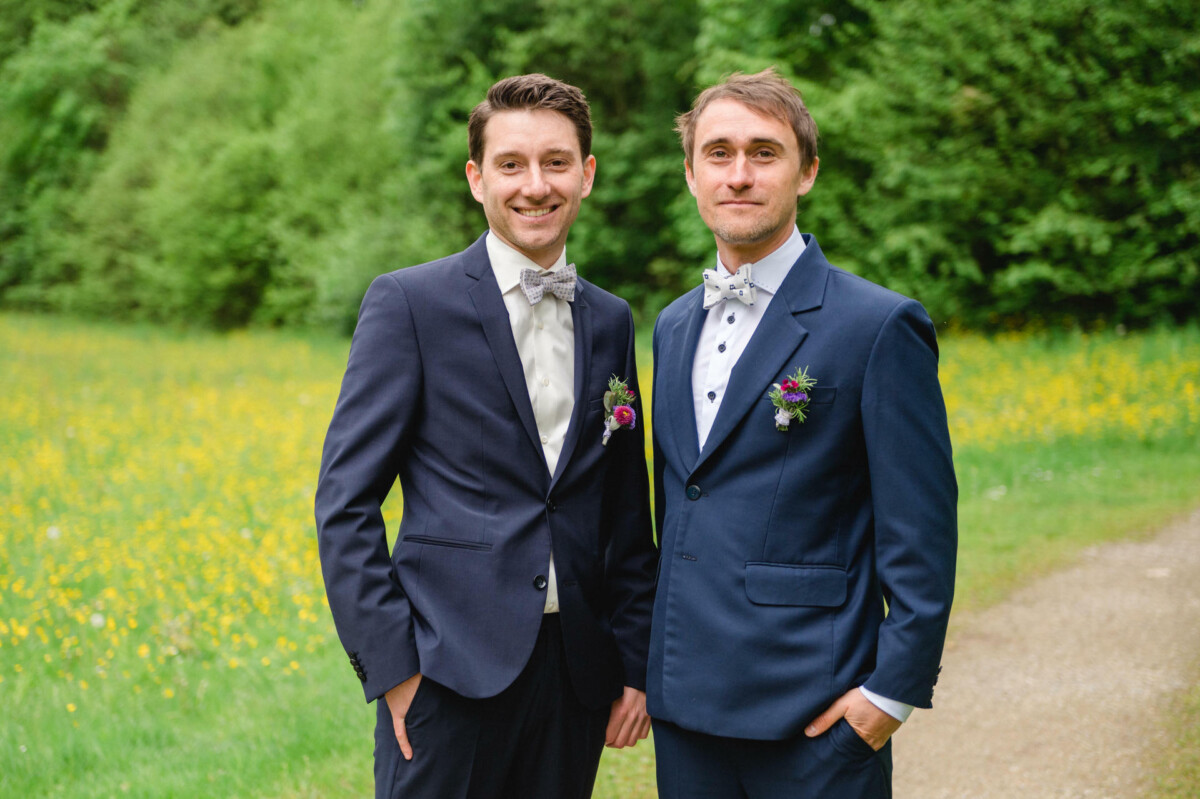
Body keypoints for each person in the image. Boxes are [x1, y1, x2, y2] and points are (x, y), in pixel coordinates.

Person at [315, 73, 657, 799]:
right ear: (477, 179)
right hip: (445, 674)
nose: (535, 185)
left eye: (556, 162)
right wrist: (396, 669)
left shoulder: (612, 319)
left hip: (576, 676)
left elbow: (624, 509)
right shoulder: (410, 304)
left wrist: (634, 660)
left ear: (587, 175)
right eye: (511, 164)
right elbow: (345, 503)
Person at [647, 68, 958, 798]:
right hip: (687, 705)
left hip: (816, 709)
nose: (740, 174)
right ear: (692, 175)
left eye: (765, 152)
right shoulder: (671, 325)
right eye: (718, 154)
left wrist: (890, 696)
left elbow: (921, 526)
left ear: (806, 170)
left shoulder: (878, 324)